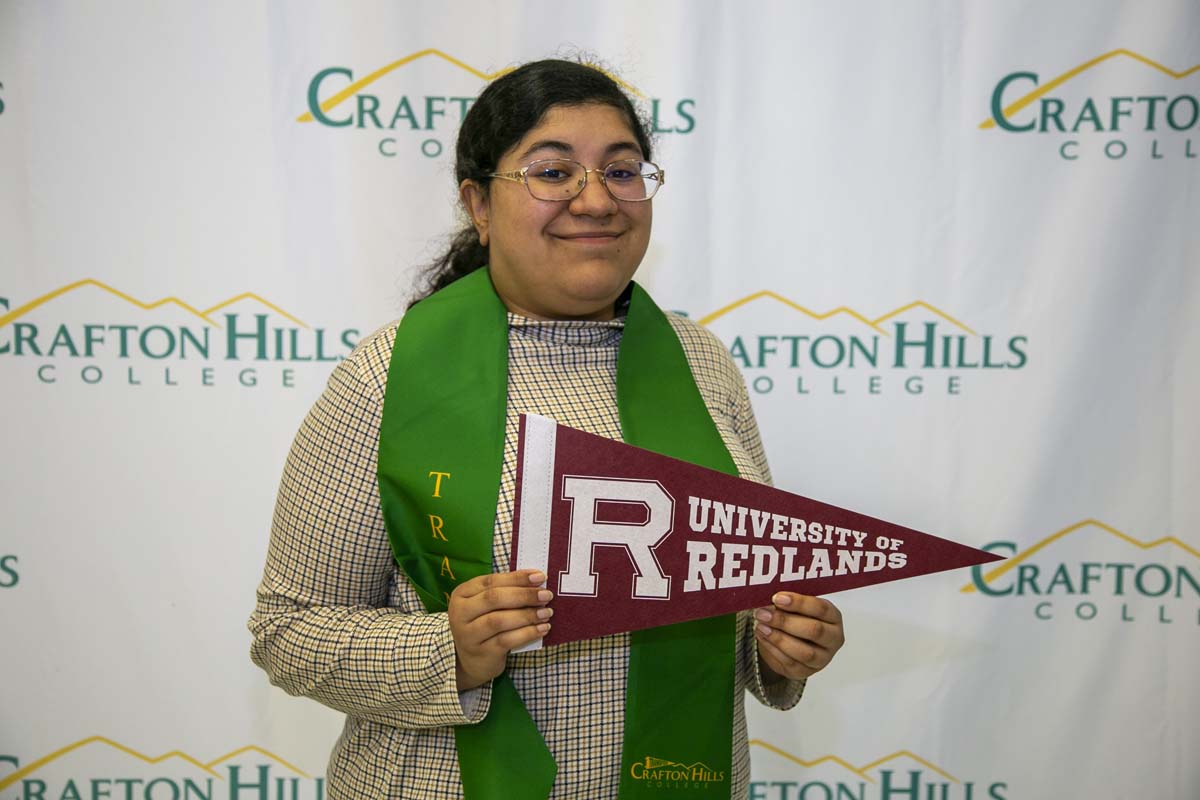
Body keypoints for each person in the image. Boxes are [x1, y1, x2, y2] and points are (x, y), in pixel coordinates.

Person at [249, 58, 845, 799]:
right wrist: (449, 650)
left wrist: (779, 646)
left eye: (621, 171)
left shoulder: (702, 365)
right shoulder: (390, 377)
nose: (595, 200)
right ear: (479, 203)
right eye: (553, 172)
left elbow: (741, 592)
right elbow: (288, 631)